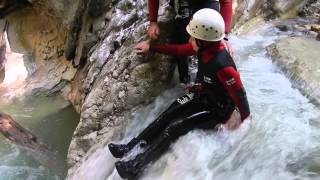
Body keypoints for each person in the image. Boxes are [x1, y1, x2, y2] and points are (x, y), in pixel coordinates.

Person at [109, 8, 250, 179]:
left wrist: (242, 118)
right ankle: (129, 147)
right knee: (167, 114)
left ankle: (136, 166)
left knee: (175, 128)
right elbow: (177, 50)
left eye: (193, 37)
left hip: (217, 109)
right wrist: (152, 47)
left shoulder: (223, 65)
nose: (190, 39)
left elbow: (240, 94)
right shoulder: (205, 48)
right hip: (202, 94)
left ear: (204, 41)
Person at [147, 0, 234, 84]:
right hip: (183, 2)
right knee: (185, 40)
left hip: (206, 2)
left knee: (210, 42)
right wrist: (153, 21)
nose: (190, 40)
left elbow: (226, 2)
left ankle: (203, 79)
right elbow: (181, 49)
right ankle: (185, 80)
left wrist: (223, 35)